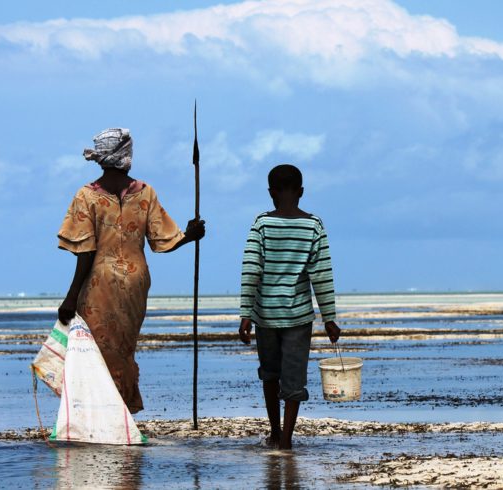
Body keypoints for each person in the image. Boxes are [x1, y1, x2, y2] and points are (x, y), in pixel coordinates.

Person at [56, 128, 205, 414]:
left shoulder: (87, 195)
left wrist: (71, 296)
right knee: (123, 348)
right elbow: (162, 240)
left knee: (97, 349)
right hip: (136, 281)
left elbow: (85, 251)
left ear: (102, 159)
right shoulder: (144, 192)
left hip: (100, 282)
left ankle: (104, 412)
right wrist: (189, 235)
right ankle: (118, 409)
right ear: (126, 156)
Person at [238, 163, 340, 449]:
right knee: (294, 381)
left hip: (266, 315)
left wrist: (246, 314)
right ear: (301, 192)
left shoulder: (262, 224)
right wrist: (329, 318)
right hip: (298, 317)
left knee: (270, 374)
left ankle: (273, 432)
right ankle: (285, 439)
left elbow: (250, 270)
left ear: (271, 193)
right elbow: (322, 275)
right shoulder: (313, 225)